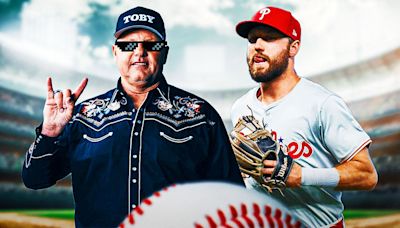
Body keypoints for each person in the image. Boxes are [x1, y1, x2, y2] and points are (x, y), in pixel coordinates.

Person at [22, 6, 243, 227]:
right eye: (128, 45)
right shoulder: (82, 117)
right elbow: (34, 179)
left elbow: (230, 199)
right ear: (115, 52)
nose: (139, 52)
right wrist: (49, 133)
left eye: (151, 44)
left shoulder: (200, 116)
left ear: (164, 53)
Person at [231, 6, 378, 227]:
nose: (258, 46)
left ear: (293, 47)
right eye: (252, 40)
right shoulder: (240, 107)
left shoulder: (322, 103)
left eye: (269, 38)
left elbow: (367, 175)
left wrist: (303, 176)